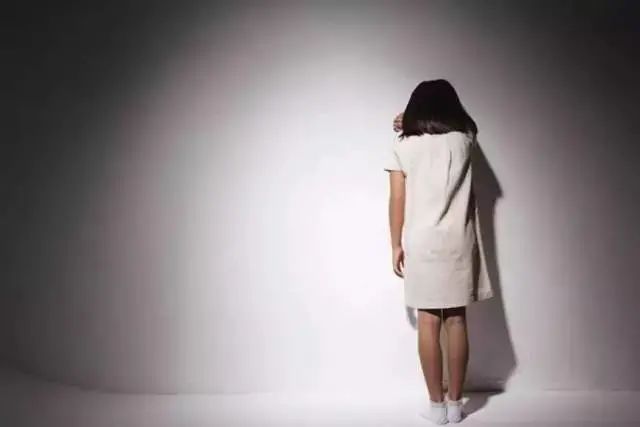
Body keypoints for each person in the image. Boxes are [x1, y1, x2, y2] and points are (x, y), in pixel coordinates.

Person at [384, 79, 494, 424]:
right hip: (458, 240)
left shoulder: (404, 145)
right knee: (457, 319)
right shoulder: (465, 139)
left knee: (429, 322)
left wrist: (395, 244)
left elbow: (397, 198)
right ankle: (456, 405)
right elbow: (469, 123)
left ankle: (436, 408)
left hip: (422, 241)